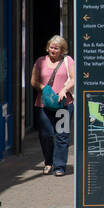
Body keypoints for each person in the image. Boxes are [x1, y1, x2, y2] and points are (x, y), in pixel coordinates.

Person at [30, 35, 75, 176]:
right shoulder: (40, 61)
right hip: (44, 104)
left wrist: (64, 89)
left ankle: (59, 166)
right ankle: (48, 161)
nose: (53, 50)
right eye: (51, 47)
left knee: (62, 135)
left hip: (64, 104)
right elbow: (33, 81)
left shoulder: (68, 61)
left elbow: (74, 79)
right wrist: (45, 89)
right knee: (46, 134)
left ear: (62, 50)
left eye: (56, 48)